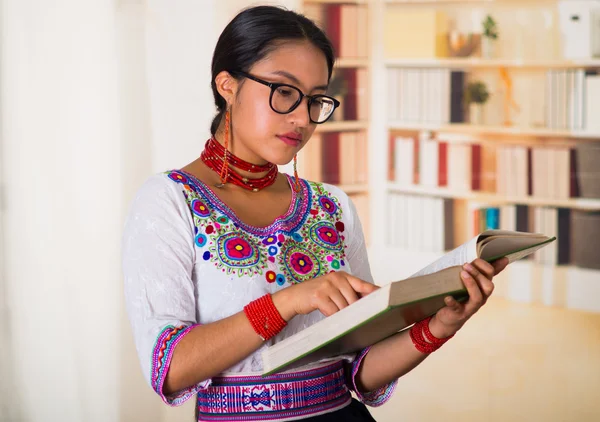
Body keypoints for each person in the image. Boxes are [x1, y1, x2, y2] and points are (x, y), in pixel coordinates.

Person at [122, 5, 508, 421]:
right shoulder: (167, 202)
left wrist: (438, 328)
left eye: (315, 99)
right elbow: (169, 369)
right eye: (284, 92)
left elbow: (360, 373)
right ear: (227, 85)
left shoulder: (332, 206)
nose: (303, 118)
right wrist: (288, 301)